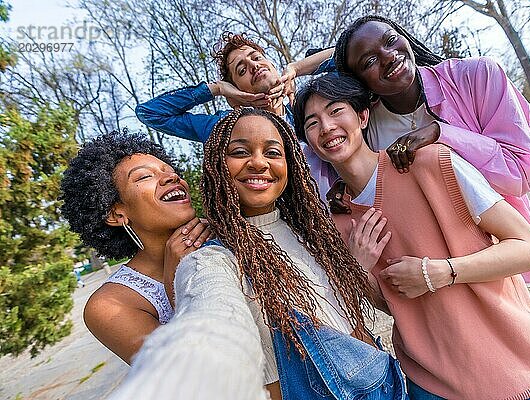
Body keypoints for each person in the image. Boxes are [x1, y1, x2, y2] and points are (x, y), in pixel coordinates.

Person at [293, 74, 530, 400]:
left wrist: (441, 271)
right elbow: (393, 305)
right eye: (312, 123)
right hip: (433, 385)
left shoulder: (432, 163)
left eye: (336, 110)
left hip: (517, 368)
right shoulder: (337, 221)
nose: (326, 127)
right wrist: (359, 269)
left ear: (363, 116)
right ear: (308, 142)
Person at [107, 108, 406, 400]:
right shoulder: (210, 258)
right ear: (216, 166)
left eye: (273, 152)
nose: (259, 162)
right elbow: (212, 310)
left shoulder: (313, 230)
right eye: (239, 152)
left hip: (387, 383)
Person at [330, 15, 530, 283]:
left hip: (500, 254)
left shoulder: (478, 76)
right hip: (426, 270)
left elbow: (522, 174)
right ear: (358, 82)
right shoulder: (367, 127)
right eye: (369, 61)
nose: (388, 56)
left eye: (390, 40)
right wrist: (345, 189)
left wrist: (440, 134)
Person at [60, 132, 210, 364]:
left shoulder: (227, 236)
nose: (172, 177)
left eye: (170, 170)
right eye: (144, 177)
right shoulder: (109, 306)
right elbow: (187, 372)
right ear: (117, 214)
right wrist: (175, 280)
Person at [135, 32, 338, 200]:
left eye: (257, 57)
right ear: (237, 94)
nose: (253, 65)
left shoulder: (308, 107)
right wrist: (216, 89)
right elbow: (150, 113)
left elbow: (353, 52)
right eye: (241, 70)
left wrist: (296, 68)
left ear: (273, 66)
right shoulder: (225, 128)